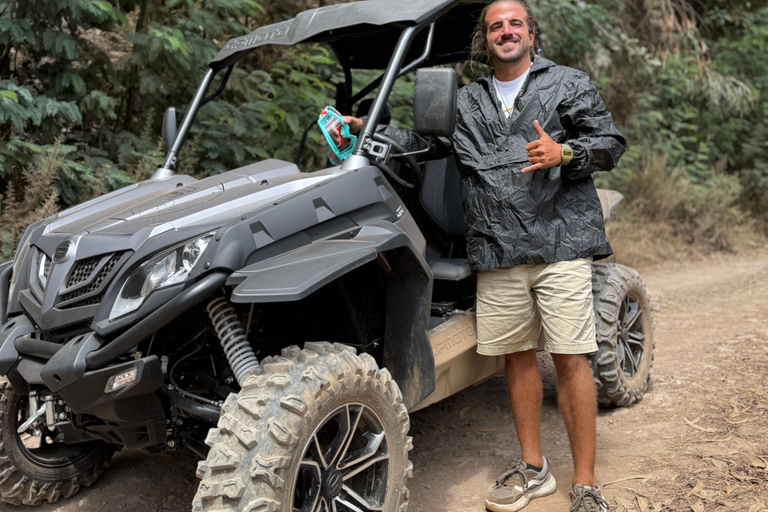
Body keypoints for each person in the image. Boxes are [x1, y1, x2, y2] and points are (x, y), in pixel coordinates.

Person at [343, 1, 625, 511]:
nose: (506, 31)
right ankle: (534, 468)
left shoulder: (567, 82)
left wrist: (565, 153)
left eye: (515, 23)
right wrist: (367, 131)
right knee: (515, 360)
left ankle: (585, 483)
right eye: (495, 26)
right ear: (485, 40)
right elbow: (423, 145)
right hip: (496, 250)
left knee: (570, 360)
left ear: (531, 35)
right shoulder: (467, 100)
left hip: (560, 244)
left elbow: (609, 142)